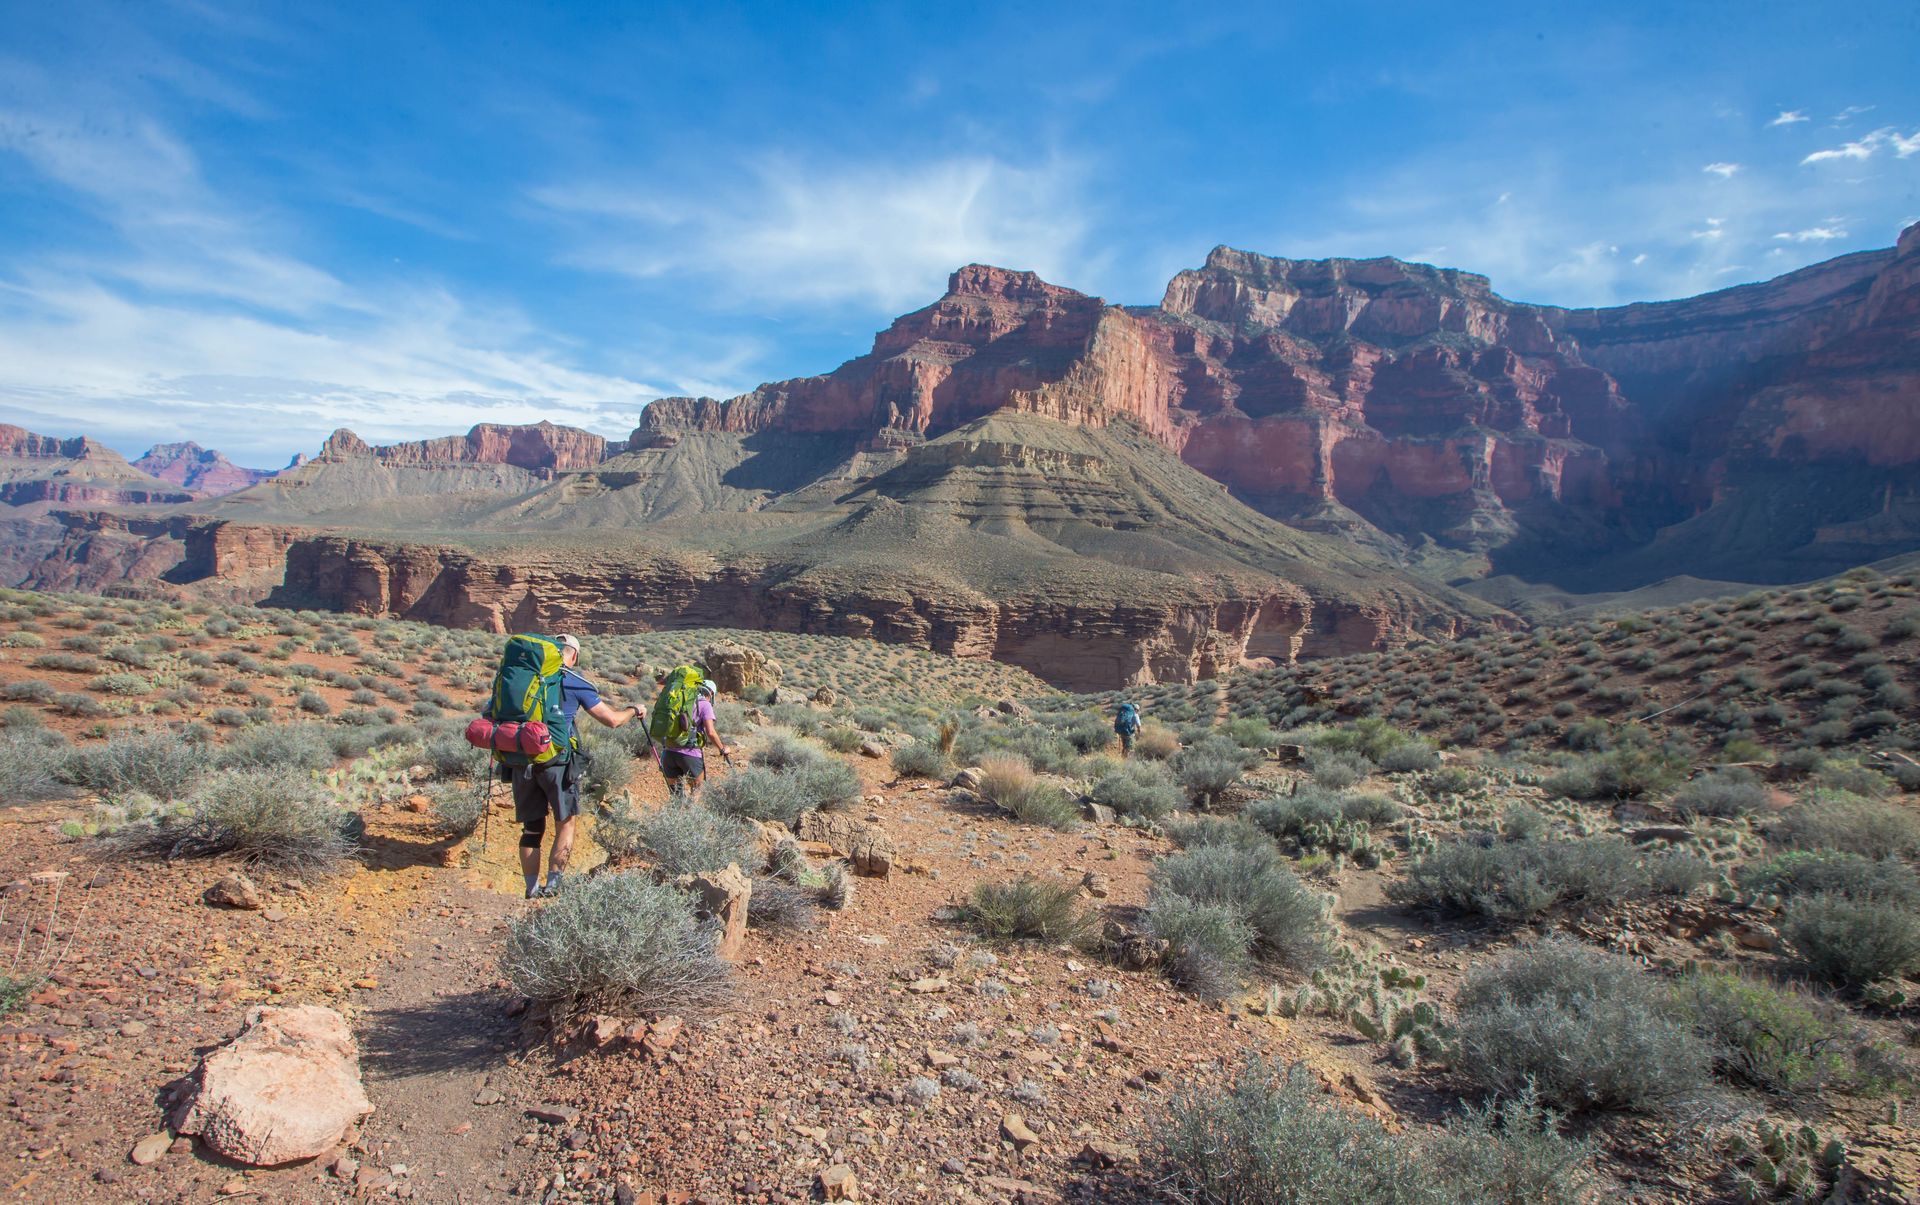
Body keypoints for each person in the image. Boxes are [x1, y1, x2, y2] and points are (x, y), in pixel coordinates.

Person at [516, 634, 643, 899]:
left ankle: (531, 889)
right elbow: (612, 721)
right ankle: (553, 886)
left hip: (523, 762)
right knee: (566, 824)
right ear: (573, 655)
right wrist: (633, 710)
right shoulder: (574, 682)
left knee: (531, 828)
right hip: (558, 764)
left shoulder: (524, 678)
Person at [661, 678, 731, 800]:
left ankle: (675, 817)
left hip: (668, 753)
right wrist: (722, 748)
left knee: (675, 795)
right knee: (697, 790)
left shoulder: (679, 701)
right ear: (711, 694)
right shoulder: (705, 704)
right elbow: (711, 732)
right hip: (690, 754)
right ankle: (691, 817)